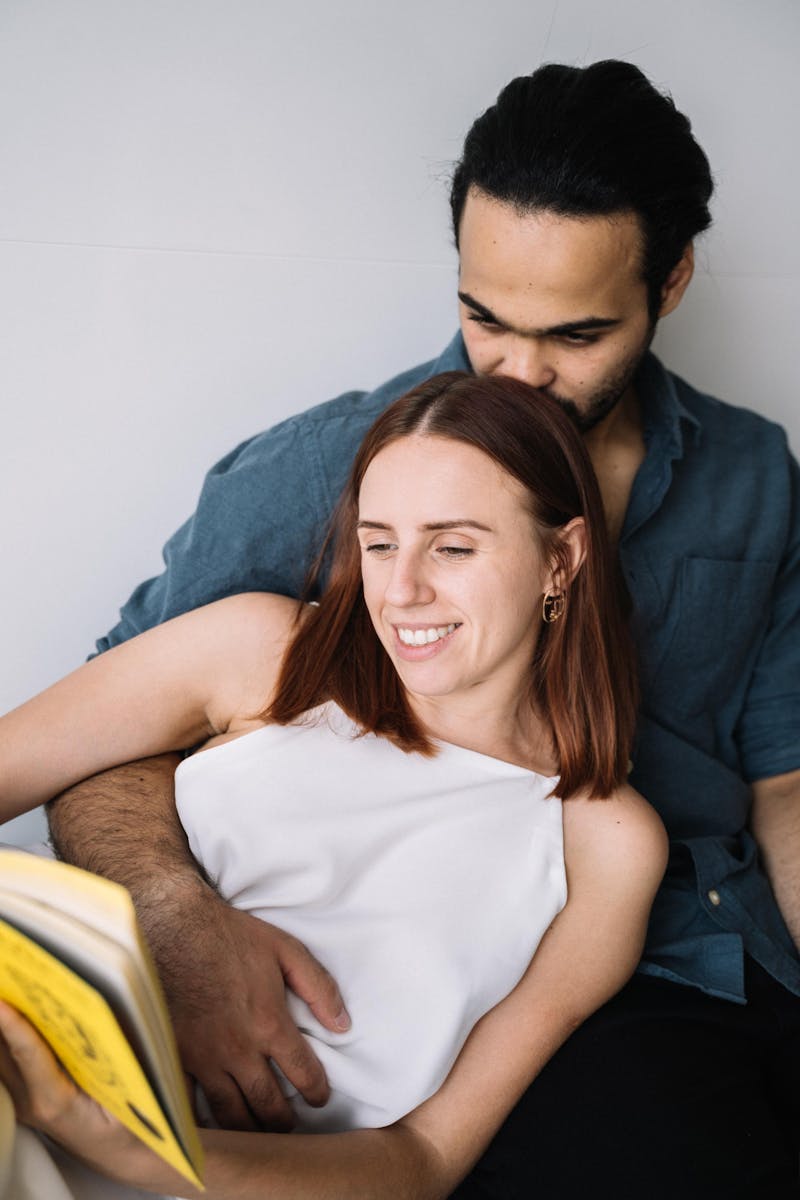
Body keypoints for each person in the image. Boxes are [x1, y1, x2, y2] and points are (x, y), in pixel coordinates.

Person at [46, 59, 800, 1197]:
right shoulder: (324, 471)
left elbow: (784, 786)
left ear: (672, 280)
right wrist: (171, 917)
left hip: (684, 947)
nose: (521, 371)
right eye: (483, 316)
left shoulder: (749, 473)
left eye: (577, 334)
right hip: (493, 1012)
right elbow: (108, 726)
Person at [0, 373, 667, 1198]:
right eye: (379, 543)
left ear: (559, 559)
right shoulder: (260, 650)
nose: (401, 591)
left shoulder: (606, 842)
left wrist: (109, 1137)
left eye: (453, 547)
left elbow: (419, 1163)